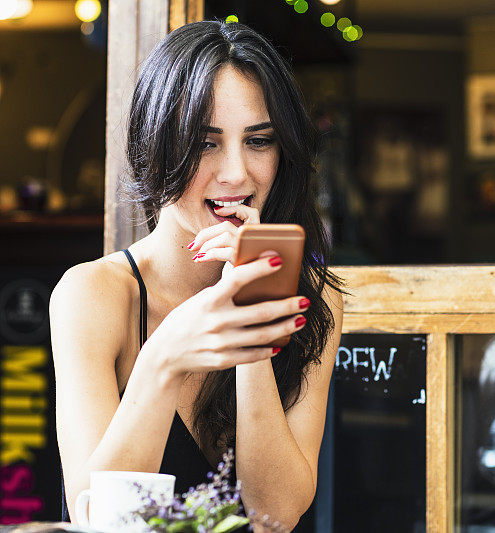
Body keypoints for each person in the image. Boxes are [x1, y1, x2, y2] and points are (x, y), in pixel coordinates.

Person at [49, 19, 344, 530]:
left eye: (259, 141)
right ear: (155, 145)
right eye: (206, 143)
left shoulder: (310, 299)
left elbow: (275, 515)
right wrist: (163, 359)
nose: (235, 173)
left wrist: (249, 310)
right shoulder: (93, 295)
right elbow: (93, 514)